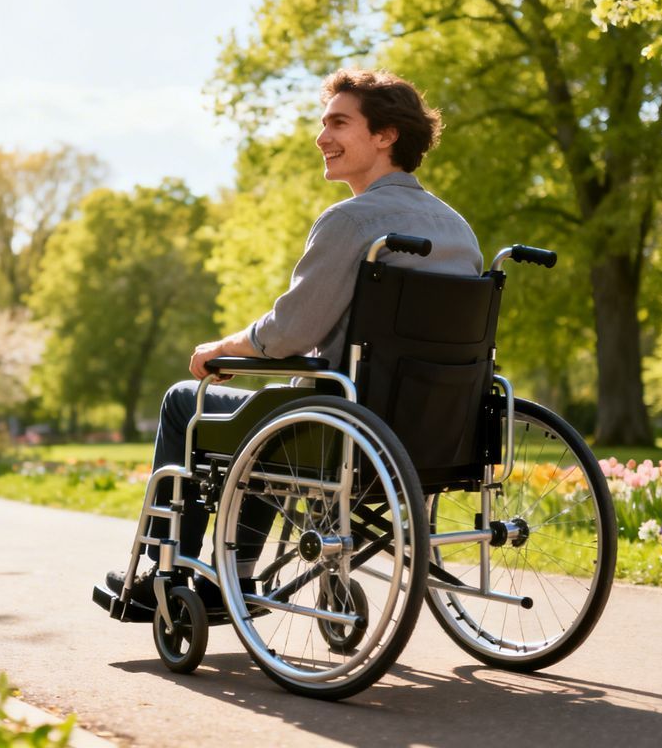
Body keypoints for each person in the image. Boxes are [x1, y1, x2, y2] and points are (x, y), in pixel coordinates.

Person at [105, 68, 483, 610]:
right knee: (274, 408)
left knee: (186, 403)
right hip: (439, 434)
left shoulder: (351, 223)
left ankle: (164, 574)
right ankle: (231, 574)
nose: (320, 136)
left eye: (338, 122)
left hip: (346, 433)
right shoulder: (458, 230)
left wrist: (221, 350)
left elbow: (287, 334)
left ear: (385, 135)